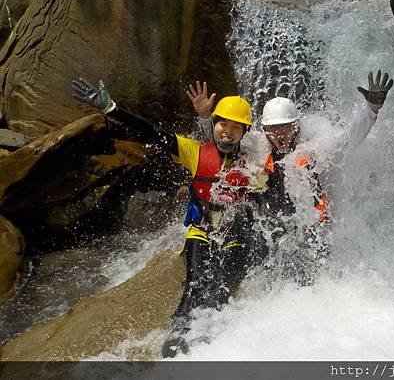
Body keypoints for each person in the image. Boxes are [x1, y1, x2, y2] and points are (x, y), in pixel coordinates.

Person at [71, 78, 264, 357]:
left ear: (245, 132)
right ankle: (177, 342)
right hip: (202, 229)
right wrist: (111, 109)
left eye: (236, 127)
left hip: (233, 232)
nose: (228, 132)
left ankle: (216, 341)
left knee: (224, 283)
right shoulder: (195, 151)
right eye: (224, 124)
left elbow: (271, 188)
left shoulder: (254, 162)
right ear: (215, 123)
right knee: (195, 285)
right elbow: (152, 132)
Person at [187, 70, 393, 282]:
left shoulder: (316, 146)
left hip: (312, 224)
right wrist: (205, 118)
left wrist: (372, 109)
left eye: (286, 127)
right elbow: (223, 145)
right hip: (275, 224)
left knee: (311, 268)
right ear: (265, 129)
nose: (280, 134)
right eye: (274, 128)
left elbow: (349, 137)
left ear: (296, 125)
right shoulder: (256, 147)